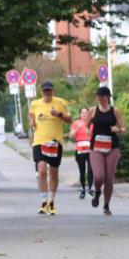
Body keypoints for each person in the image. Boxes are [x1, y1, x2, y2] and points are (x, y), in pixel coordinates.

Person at [29, 81, 72, 215]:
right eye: (45, 91)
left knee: (53, 173)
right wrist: (31, 121)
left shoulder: (60, 102)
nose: (47, 93)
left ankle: (51, 201)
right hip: (39, 141)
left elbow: (69, 119)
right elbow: (31, 115)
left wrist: (58, 114)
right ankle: (44, 201)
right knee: (42, 171)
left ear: (53, 91)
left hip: (55, 142)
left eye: (49, 90)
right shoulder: (35, 104)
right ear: (41, 92)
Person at [88, 86, 126, 216]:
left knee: (109, 178)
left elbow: (123, 129)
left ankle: (106, 205)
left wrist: (117, 129)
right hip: (96, 148)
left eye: (102, 96)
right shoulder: (93, 111)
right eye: (98, 96)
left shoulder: (115, 111)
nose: (100, 98)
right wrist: (87, 132)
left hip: (112, 148)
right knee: (99, 176)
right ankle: (97, 191)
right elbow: (86, 126)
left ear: (108, 97)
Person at [69, 107, 94, 199]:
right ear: (80, 114)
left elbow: (93, 135)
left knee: (91, 169)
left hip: (90, 149)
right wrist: (77, 129)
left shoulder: (92, 123)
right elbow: (71, 136)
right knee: (82, 170)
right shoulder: (76, 123)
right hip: (80, 149)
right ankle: (83, 189)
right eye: (82, 112)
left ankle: (90, 188)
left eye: (86, 112)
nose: (84, 114)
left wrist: (89, 131)